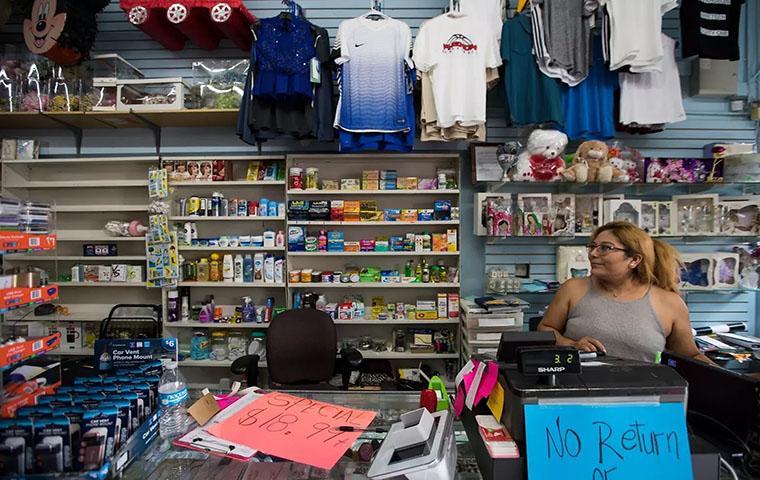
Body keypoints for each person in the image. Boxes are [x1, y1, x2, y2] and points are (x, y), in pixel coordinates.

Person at [538, 221, 710, 363]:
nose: (593, 254)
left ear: (634, 260)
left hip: (642, 397)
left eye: (605, 248)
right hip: (577, 390)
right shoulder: (573, 289)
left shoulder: (670, 303)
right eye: (593, 246)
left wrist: (726, 380)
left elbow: (689, 356)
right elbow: (545, 329)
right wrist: (572, 345)